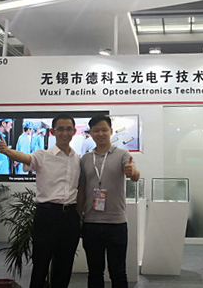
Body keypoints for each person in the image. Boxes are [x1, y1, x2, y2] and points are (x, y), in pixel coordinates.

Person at [0, 113, 80, 288]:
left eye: (68, 129)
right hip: (46, 216)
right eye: (60, 129)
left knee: (65, 266)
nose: (65, 133)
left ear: (74, 131)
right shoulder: (43, 155)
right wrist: (6, 151)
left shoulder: (77, 159)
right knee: (40, 265)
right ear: (53, 132)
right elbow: (25, 158)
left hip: (70, 217)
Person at [79, 114, 140, 288]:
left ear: (111, 131)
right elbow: (82, 190)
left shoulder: (122, 154)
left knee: (118, 272)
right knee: (94, 272)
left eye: (104, 130)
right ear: (91, 133)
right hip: (91, 224)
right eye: (96, 130)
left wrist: (132, 172)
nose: (100, 134)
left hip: (116, 224)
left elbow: (135, 175)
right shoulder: (85, 159)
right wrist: (78, 217)